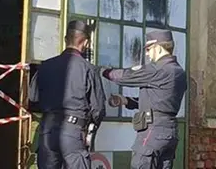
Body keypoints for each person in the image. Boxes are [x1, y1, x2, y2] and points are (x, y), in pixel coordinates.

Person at [100, 29, 187, 169]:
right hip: (170, 131)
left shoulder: (157, 69)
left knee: (139, 164)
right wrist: (125, 100)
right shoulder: (179, 72)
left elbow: (124, 76)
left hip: (153, 130)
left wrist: (103, 71)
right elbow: (159, 100)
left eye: (148, 49)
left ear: (158, 47)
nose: (147, 53)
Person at [28, 20, 107, 169]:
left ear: (65, 40)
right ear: (86, 42)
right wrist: (89, 131)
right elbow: (98, 109)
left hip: (48, 131)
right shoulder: (89, 69)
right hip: (73, 131)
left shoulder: (45, 66)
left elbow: (33, 97)